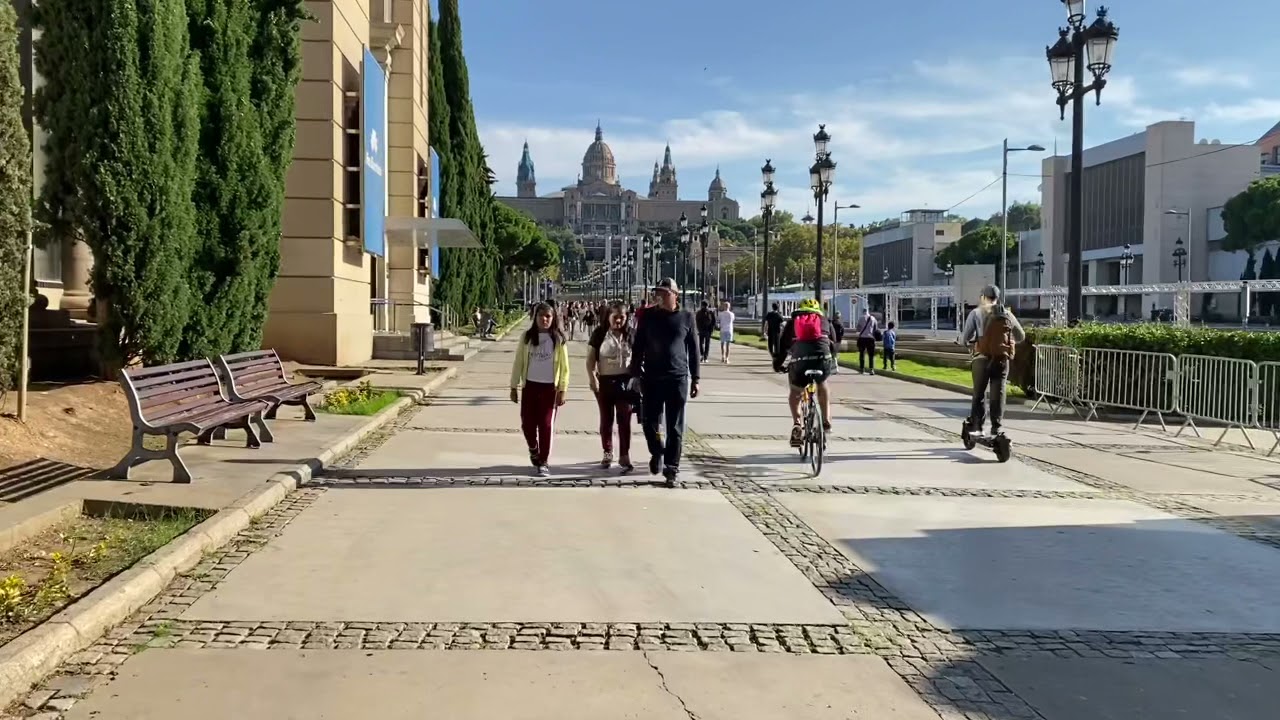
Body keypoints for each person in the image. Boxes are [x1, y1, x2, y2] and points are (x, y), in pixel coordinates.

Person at [628, 278, 700, 487]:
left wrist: (696, 378)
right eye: (657, 292)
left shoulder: (687, 317)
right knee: (650, 422)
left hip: (677, 378)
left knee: (675, 426)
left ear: (674, 294)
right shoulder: (648, 316)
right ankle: (657, 450)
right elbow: (638, 346)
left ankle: (672, 469)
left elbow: (694, 350)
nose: (659, 296)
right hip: (651, 377)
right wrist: (634, 374)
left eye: (664, 292)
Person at [509, 302, 570, 477]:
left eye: (548, 316)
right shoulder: (527, 338)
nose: (544, 319)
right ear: (535, 318)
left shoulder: (558, 339)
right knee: (527, 424)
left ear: (553, 318)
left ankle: (543, 461)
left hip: (550, 389)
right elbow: (518, 362)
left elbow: (565, 367)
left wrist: (563, 389)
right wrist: (513, 386)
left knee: (545, 425)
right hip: (530, 386)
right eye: (541, 316)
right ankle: (533, 448)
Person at [961, 285, 1026, 437]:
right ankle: (996, 427)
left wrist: (967, 342)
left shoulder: (976, 313)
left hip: (981, 359)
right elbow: (1021, 336)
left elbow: (965, 337)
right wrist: (1004, 343)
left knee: (979, 393)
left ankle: (977, 425)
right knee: (999, 392)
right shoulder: (1007, 314)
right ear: (997, 298)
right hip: (1001, 360)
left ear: (983, 297)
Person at [773, 298, 838, 447]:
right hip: (822, 357)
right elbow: (835, 342)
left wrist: (777, 365)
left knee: (795, 391)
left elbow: (782, 348)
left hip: (800, 360)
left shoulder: (793, 322)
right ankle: (826, 420)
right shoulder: (825, 320)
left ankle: (797, 423)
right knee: (822, 383)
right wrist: (831, 358)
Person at [587, 302, 635, 472]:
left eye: (622, 317)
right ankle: (607, 451)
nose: (619, 320)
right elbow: (591, 359)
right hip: (605, 382)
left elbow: (638, 358)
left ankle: (624, 454)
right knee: (606, 419)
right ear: (608, 317)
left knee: (624, 419)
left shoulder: (631, 334)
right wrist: (593, 377)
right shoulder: (600, 334)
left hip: (625, 383)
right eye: (615, 317)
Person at [855, 309, 879, 375]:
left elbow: (858, 328)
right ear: (868, 312)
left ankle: (862, 369)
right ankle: (871, 369)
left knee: (862, 354)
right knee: (871, 355)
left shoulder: (861, 318)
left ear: (863, 312)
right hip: (870, 338)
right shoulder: (873, 318)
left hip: (862, 338)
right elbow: (876, 329)